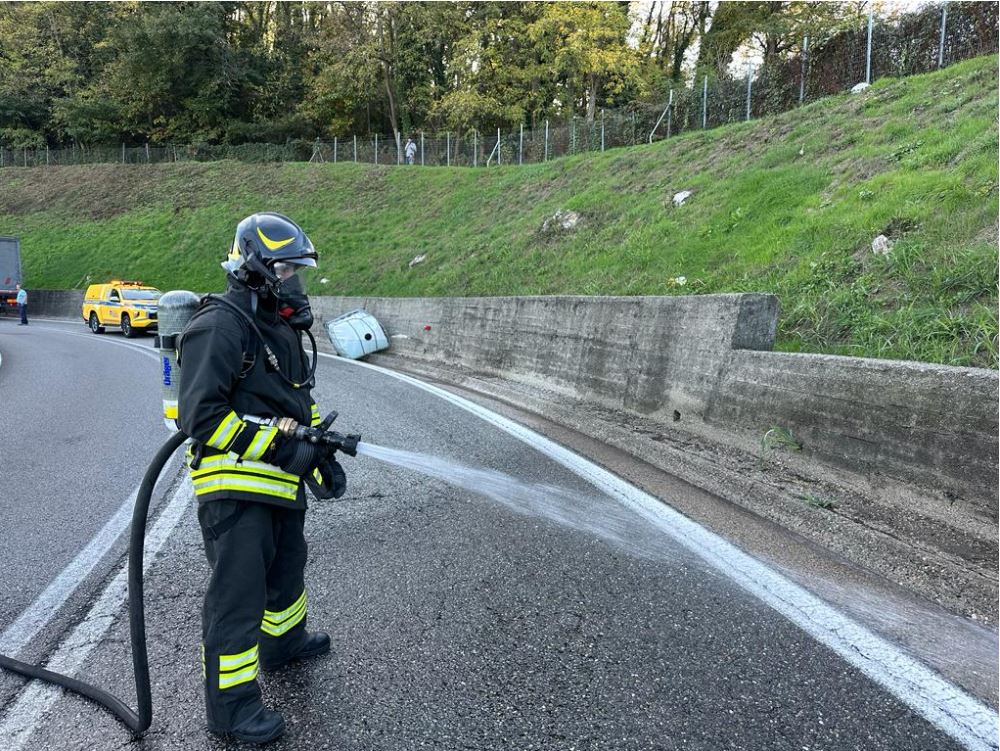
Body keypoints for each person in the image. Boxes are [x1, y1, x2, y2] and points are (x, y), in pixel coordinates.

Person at [177, 212, 346, 744]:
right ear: (256, 269)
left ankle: (283, 644)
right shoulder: (219, 326)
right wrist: (277, 445)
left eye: (298, 272)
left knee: (287, 571)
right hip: (233, 489)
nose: (294, 282)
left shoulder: (279, 329)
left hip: (279, 485)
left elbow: (297, 402)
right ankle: (231, 709)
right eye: (286, 271)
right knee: (239, 597)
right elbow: (200, 417)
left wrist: (320, 455)